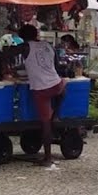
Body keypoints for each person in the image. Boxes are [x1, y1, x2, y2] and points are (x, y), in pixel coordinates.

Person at [19, 24, 66, 167]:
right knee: (64, 85)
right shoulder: (48, 45)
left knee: (45, 124)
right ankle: (56, 114)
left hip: (41, 89)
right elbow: (57, 66)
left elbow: (7, 54)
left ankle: (47, 157)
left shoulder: (25, 46)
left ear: (23, 36)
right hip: (56, 84)